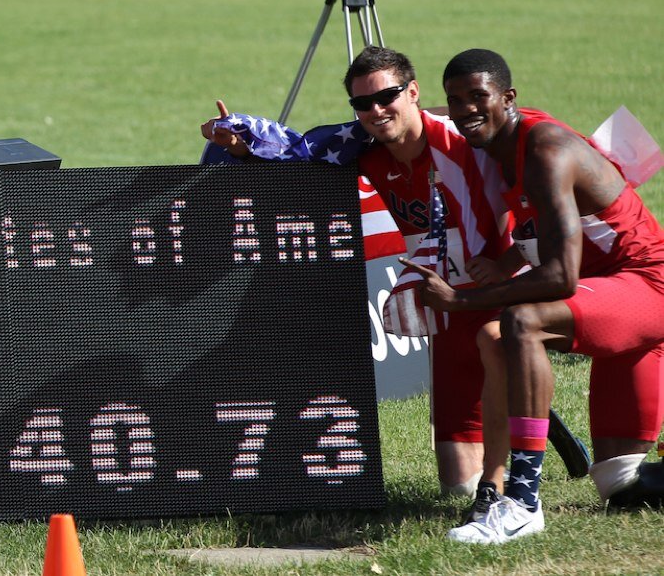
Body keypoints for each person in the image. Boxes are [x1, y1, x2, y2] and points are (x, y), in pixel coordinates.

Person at [201, 46, 513, 497]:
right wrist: (240, 141)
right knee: (458, 488)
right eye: (362, 103)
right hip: (446, 303)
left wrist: (508, 264)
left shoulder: (463, 141)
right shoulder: (364, 149)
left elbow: (532, 166)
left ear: (413, 92)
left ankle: (520, 487)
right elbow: (295, 152)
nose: (376, 110)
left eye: (386, 96)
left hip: (500, 291)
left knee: (504, 365)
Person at [405, 48, 664, 544]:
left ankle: (521, 500)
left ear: (509, 97)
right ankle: (505, 489)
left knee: (518, 324)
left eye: (477, 97)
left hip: (646, 287)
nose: (463, 111)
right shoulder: (495, 140)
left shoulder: (544, 149)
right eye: (454, 100)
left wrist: (459, 300)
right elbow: (416, 117)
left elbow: (561, 278)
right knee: (619, 484)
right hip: (614, 298)